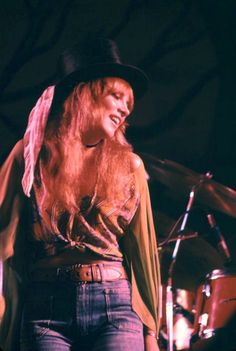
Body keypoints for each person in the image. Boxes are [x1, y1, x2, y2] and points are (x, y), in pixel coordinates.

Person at [0, 37, 161, 351]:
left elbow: (143, 253)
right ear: (84, 95)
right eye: (116, 95)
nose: (126, 108)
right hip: (45, 308)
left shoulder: (130, 165)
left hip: (115, 306)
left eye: (128, 102)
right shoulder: (31, 155)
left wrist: (151, 333)